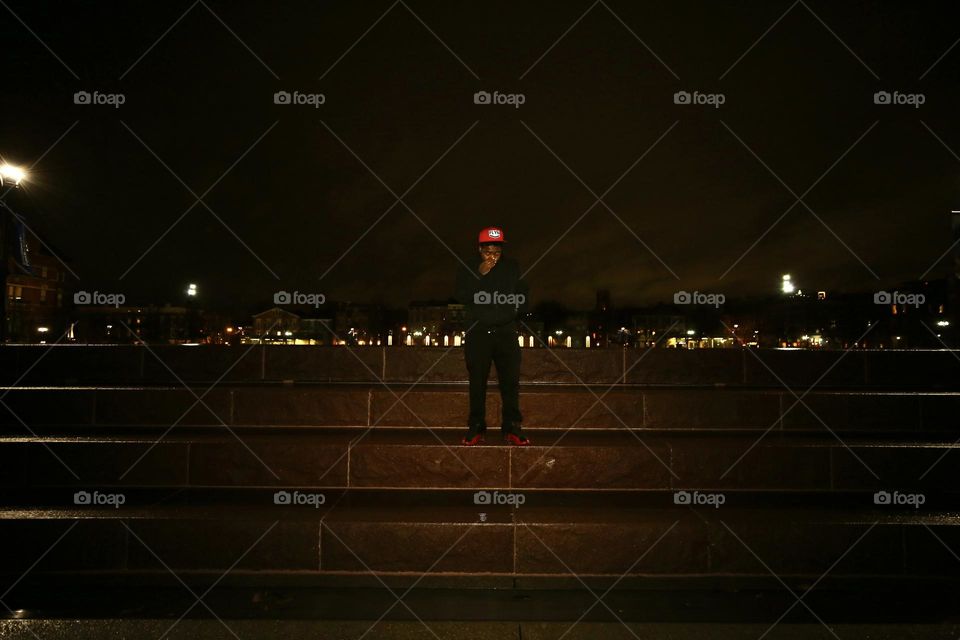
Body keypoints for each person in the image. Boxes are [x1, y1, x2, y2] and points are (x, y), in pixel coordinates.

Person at [454, 227, 531, 446]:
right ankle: (476, 426)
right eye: (488, 251)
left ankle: (512, 427)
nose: (492, 256)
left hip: (506, 332)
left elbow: (523, 290)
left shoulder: (512, 266)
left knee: (511, 382)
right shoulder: (468, 266)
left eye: (496, 250)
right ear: (479, 249)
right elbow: (461, 295)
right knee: (477, 382)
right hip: (478, 334)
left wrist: (517, 308)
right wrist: (480, 273)